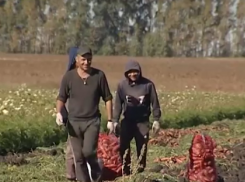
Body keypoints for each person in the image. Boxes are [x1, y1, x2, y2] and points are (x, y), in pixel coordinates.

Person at [56, 46, 115, 182]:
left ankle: (96, 170)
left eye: (89, 59)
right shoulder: (69, 77)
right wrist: (58, 112)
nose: (86, 62)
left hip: (92, 121)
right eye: (83, 59)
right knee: (79, 158)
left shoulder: (99, 76)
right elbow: (61, 97)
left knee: (88, 152)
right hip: (73, 123)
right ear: (76, 60)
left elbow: (108, 98)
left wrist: (110, 119)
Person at [112, 59, 161, 175]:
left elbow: (155, 103)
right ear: (126, 73)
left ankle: (140, 172)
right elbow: (118, 104)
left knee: (142, 148)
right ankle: (126, 171)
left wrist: (156, 120)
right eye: (130, 72)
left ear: (139, 72)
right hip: (127, 122)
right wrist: (115, 120)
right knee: (124, 147)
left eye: (136, 71)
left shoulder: (148, 85)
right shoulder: (122, 86)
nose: (133, 74)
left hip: (142, 122)